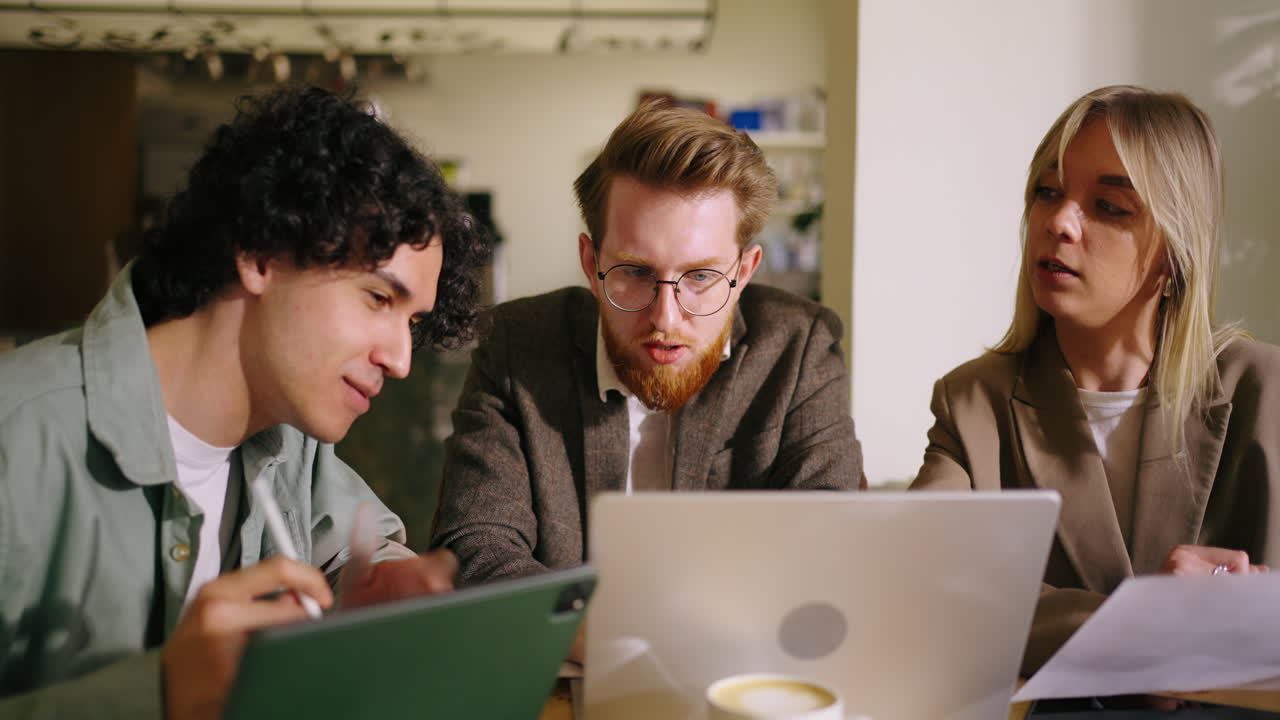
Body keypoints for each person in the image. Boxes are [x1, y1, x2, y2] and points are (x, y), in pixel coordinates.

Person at [0, 86, 489, 719]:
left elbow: (346, 551)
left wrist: (385, 589)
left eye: (414, 323)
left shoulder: (290, 437)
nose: (399, 359)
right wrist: (159, 694)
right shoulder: (19, 438)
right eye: (377, 298)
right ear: (261, 253)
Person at [910, 85, 1279, 676]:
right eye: (1047, 192)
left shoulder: (1266, 391)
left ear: (1175, 249)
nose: (1058, 222)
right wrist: (1142, 627)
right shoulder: (973, 401)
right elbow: (924, 586)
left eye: (1109, 207)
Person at [432, 101, 863, 598]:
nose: (666, 318)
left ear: (744, 272)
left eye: (701, 276)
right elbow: (474, 546)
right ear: (590, 262)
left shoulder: (799, 346)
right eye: (635, 273)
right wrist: (619, 633)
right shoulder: (517, 344)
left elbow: (828, 538)